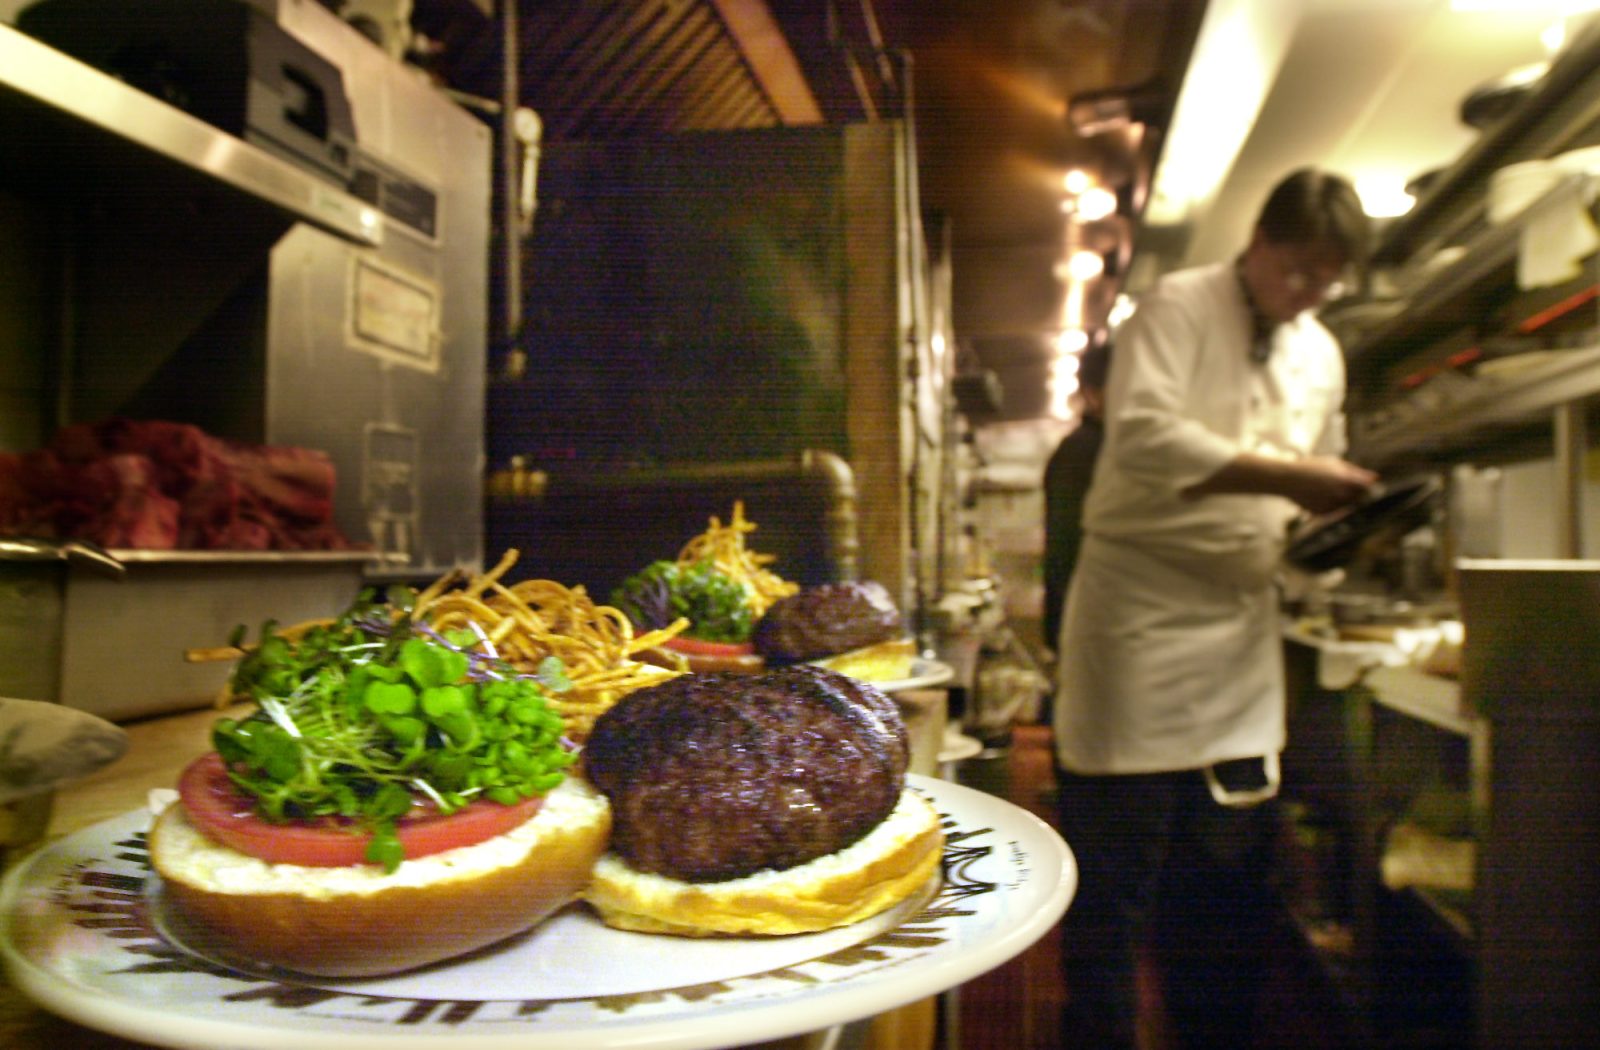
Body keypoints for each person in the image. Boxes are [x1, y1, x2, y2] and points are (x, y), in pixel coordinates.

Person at [1052, 168, 1378, 1050]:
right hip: (1139, 619)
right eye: (1298, 269)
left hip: (1237, 632)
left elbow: (1321, 473)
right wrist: (1293, 477)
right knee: (1115, 883)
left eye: (1327, 280)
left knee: (1226, 889)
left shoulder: (1321, 352)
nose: (1308, 292)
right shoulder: (1177, 307)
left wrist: (1338, 530)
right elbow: (1145, 436)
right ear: (1259, 242)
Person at [1042, 340, 1111, 654]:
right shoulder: (1083, 451)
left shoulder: (1106, 447)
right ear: (1093, 395)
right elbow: (1066, 546)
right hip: (1092, 626)